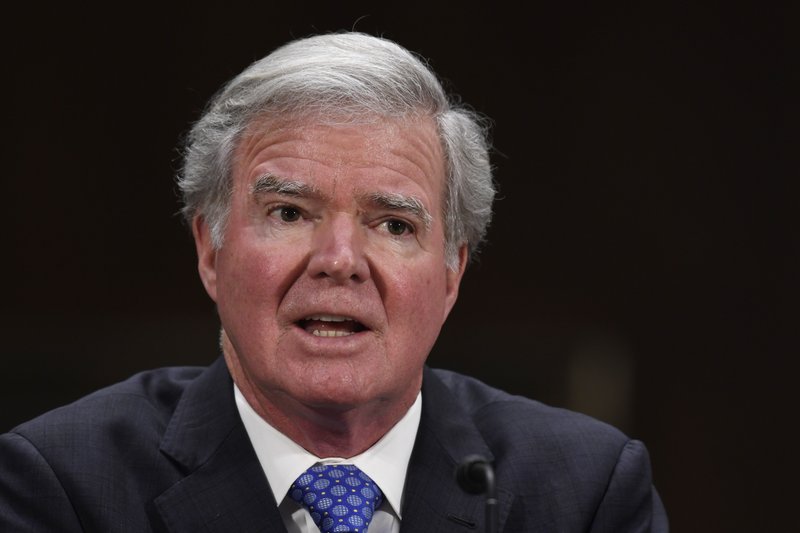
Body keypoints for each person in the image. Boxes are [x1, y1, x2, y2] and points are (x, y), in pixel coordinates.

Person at [0, 31, 668, 532]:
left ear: (453, 272)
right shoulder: (63, 486)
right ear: (210, 248)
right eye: (290, 213)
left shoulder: (585, 494)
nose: (339, 258)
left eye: (393, 224)